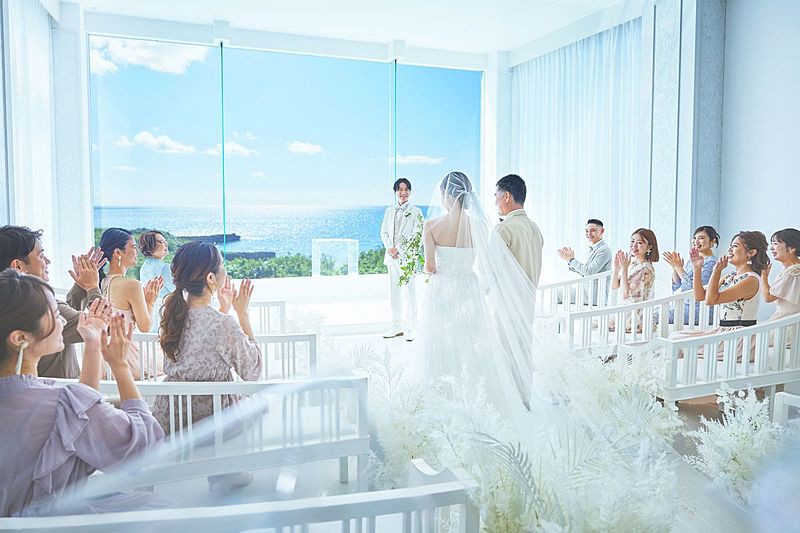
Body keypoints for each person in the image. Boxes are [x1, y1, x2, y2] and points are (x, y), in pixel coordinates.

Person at [0, 270, 168, 516]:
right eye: (54, 314)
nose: (61, 321)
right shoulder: (60, 403)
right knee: (161, 507)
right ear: (20, 338)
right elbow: (144, 449)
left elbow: (77, 416)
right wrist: (120, 367)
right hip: (62, 523)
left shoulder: (47, 399)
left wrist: (93, 344)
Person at [419, 171, 536, 421]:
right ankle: (477, 396)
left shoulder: (431, 226)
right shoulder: (481, 225)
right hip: (469, 288)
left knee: (442, 340)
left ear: (445, 195)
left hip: (443, 288)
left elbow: (430, 267)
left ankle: (443, 397)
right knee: (471, 341)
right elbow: (487, 264)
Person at [152, 241, 263, 494]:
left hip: (171, 419)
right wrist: (242, 315)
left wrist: (225, 312)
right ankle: (226, 469)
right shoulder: (224, 324)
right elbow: (252, 371)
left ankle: (225, 469)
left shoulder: (172, 317)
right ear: (211, 279)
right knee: (259, 406)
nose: (225, 272)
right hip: (213, 425)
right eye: (222, 267)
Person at [0, 225, 105, 378]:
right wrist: (92, 287)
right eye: (41, 256)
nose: (48, 261)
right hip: (59, 390)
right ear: (18, 266)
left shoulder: (8, 303)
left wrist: (82, 287)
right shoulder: (39, 306)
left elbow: (66, 321)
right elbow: (104, 325)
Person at [670, 231, 768, 361]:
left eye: (735, 246)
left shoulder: (751, 280)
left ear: (751, 253)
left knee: (678, 341)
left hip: (738, 337)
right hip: (723, 331)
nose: (730, 249)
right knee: (675, 337)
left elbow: (711, 301)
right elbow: (700, 297)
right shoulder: (730, 277)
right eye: (731, 246)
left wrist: (716, 271)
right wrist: (697, 269)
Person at [98, 228, 163, 378]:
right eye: (133, 247)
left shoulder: (101, 281)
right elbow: (145, 327)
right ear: (118, 252)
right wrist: (150, 302)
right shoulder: (132, 285)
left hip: (103, 356)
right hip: (125, 355)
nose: (137, 252)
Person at [380, 178, 424, 340]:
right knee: (394, 293)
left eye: (406, 189)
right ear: (395, 192)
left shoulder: (416, 212)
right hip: (391, 258)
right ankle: (396, 326)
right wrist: (390, 248)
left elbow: (417, 235)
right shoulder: (389, 211)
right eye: (400, 189)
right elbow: (383, 232)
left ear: (410, 192)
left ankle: (411, 327)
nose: (403, 192)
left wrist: (398, 249)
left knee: (410, 293)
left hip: (407, 259)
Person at [494, 174, 544, 288]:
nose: (495, 202)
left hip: (505, 298)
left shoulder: (503, 228)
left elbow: (489, 271)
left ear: (506, 196)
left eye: (496, 196)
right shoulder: (535, 228)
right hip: (530, 298)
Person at [662, 225, 720, 325]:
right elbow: (678, 286)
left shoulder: (711, 262)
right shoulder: (693, 260)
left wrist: (678, 268)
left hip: (698, 309)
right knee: (653, 312)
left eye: (701, 238)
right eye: (694, 238)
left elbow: (694, 290)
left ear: (712, 241)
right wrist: (675, 268)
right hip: (686, 305)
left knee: (655, 315)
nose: (696, 241)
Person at [557, 219, 612, 304]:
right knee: (558, 292)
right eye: (587, 231)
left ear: (602, 231)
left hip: (594, 296)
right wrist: (570, 260)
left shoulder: (604, 250)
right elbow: (585, 272)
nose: (589, 234)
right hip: (587, 291)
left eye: (593, 230)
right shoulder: (594, 248)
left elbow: (589, 272)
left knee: (557, 293)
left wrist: (571, 259)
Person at [138, 230, 175, 333]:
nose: (166, 243)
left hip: (150, 312)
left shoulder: (144, 267)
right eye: (162, 241)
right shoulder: (165, 267)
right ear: (151, 246)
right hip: (165, 312)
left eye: (165, 240)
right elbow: (175, 290)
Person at [761, 228, 800, 321]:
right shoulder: (793, 270)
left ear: (791, 248)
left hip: (788, 322)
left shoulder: (792, 272)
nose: (771, 248)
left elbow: (768, 297)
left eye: (775, 244)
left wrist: (763, 276)